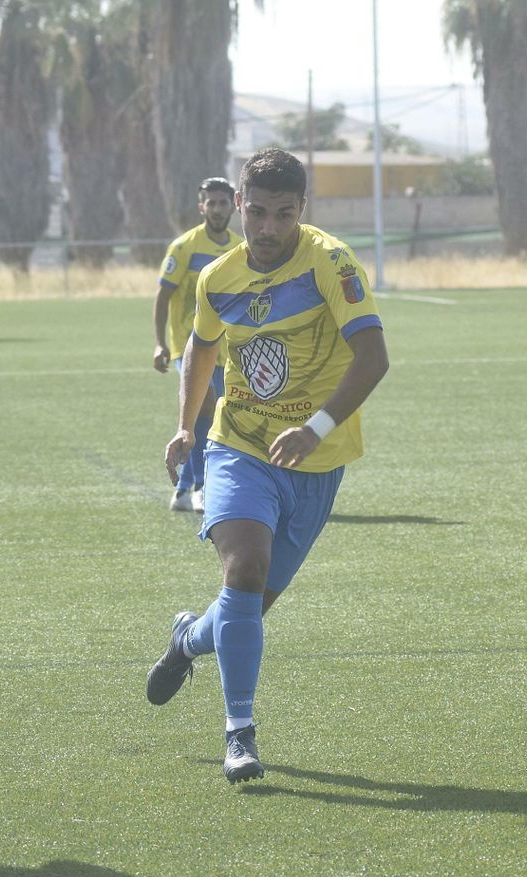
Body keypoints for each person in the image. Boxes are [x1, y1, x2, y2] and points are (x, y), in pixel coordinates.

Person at [144, 148, 389, 783]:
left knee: (245, 606)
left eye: (284, 214)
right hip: (240, 444)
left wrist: (316, 428)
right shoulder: (217, 278)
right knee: (244, 567)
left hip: (316, 460)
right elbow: (200, 349)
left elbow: (372, 357)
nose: (268, 228)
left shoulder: (332, 264)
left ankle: (188, 641)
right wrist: (183, 427)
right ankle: (240, 734)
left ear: (301, 211)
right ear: (241, 208)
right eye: (257, 212)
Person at [153, 176, 240, 513]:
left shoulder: (239, 248)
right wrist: (160, 344)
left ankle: (187, 488)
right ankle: (200, 486)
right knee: (205, 405)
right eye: (211, 203)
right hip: (188, 345)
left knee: (215, 413)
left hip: (225, 347)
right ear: (201, 206)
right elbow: (163, 296)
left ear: (233, 205)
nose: (217, 209)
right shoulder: (184, 247)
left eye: (223, 203)